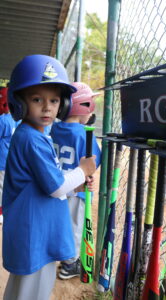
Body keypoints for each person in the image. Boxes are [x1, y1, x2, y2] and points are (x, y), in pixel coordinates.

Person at [2, 55, 96, 300]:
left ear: (63, 104)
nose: (47, 107)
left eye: (54, 100)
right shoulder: (32, 138)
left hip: (36, 231)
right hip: (34, 233)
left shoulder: (36, 134)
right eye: (36, 99)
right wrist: (83, 170)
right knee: (30, 292)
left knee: (32, 289)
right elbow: (55, 187)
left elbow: (49, 179)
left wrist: (76, 182)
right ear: (18, 102)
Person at [50, 82, 101, 280]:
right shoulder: (83, 133)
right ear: (83, 106)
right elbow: (93, 163)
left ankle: (61, 256)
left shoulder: (53, 129)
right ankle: (70, 264)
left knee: (59, 222)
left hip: (57, 184)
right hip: (77, 188)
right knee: (74, 224)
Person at [0, 86, 19, 224]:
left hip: (1, 160)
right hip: (10, 159)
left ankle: (1, 213)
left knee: (1, 187)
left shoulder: (3, 120)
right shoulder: (16, 119)